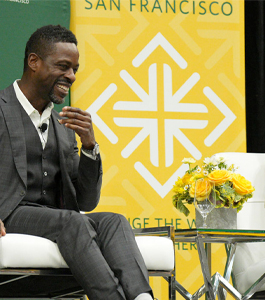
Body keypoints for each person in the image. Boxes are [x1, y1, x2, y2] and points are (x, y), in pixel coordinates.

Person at [0, 25, 154, 300]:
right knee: (72, 222)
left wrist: (89, 147)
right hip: (11, 214)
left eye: (74, 70)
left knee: (114, 221)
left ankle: (144, 298)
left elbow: (85, 202)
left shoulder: (64, 125)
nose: (70, 76)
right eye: (63, 66)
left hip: (61, 218)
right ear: (34, 62)